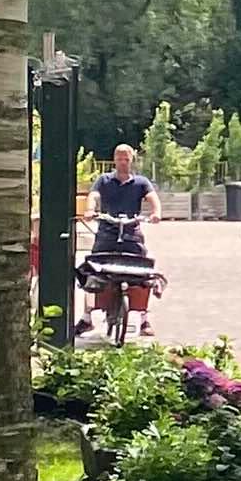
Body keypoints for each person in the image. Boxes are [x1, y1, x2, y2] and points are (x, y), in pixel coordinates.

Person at [81, 138, 161, 340]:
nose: (123, 162)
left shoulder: (141, 182)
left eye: (126, 159)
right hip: (107, 232)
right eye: (119, 159)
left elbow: (152, 197)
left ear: (131, 160)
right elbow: (94, 195)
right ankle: (86, 317)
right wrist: (90, 209)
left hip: (131, 233)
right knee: (91, 270)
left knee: (144, 270)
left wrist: (156, 212)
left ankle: (144, 319)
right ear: (114, 160)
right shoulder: (104, 180)